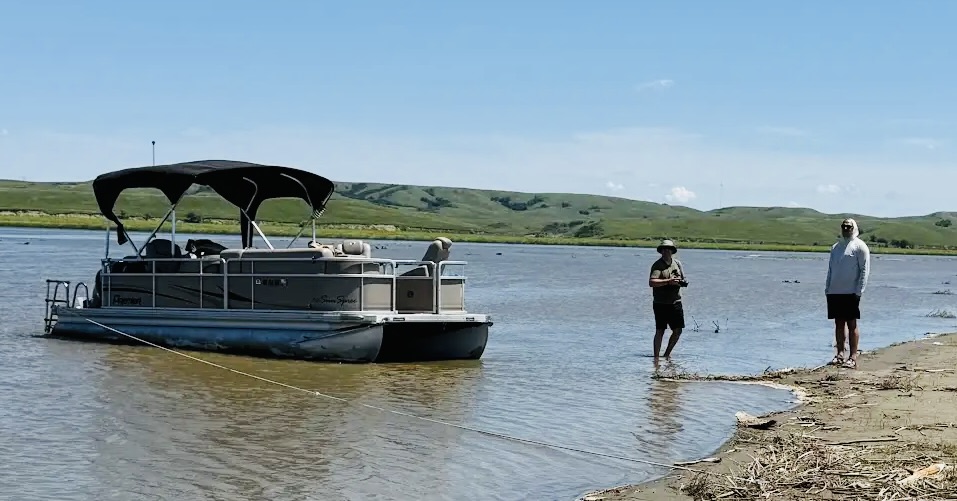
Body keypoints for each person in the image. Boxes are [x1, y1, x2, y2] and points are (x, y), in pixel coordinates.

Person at [825, 218, 871, 369]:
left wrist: (859, 291)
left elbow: (864, 270)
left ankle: (852, 357)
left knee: (852, 323)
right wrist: (828, 288)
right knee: (839, 323)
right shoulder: (836, 247)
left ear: (854, 228)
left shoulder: (860, 247)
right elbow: (831, 269)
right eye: (844, 226)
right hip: (835, 291)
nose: (846, 228)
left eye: (848, 226)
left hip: (851, 291)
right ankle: (839, 355)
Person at [649, 239, 687, 363]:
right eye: (664, 249)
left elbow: (683, 279)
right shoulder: (657, 265)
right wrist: (668, 281)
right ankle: (656, 359)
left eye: (669, 249)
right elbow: (652, 282)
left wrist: (681, 282)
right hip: (660, 303)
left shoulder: (677, 263)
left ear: (672, 251)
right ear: (661, 251)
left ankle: (666, 354)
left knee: (678, 331)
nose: (666, 251)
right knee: (660, 330)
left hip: (676, 302)